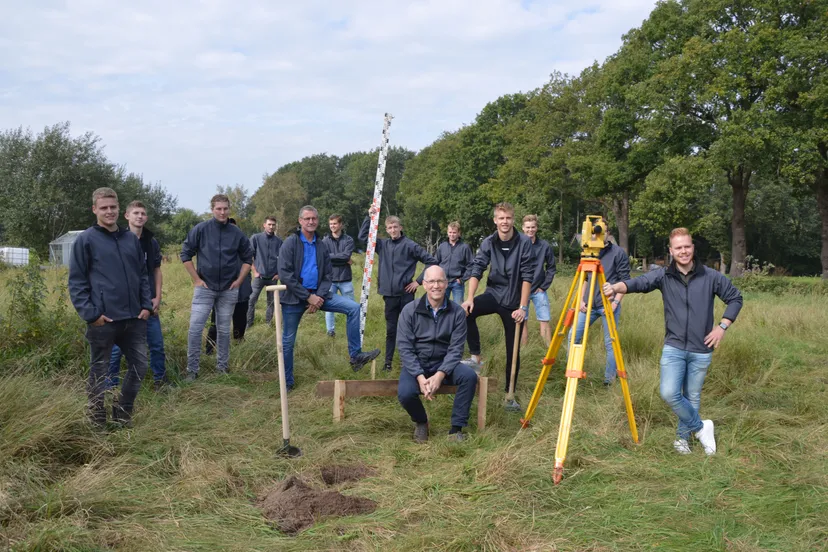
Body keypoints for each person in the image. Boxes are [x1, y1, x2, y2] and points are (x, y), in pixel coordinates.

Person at [602, 227, 743, 456]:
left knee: (692, 396)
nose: (684, 251)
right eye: (679, 248)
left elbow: (735, 298)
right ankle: (702, 428)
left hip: (702, 348)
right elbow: (640, 283)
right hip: (674, 346)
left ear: (693, 248)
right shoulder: (664, 275)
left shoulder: (710, 276)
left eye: (687, 246)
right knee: (669, 393)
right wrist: (617, 287)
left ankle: (682, 439)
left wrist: (722, 326)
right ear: (671, 250)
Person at [69, 187, 152, 428]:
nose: (109, 212)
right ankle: (97, 421)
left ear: (119, 208)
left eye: (113, 207)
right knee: (100, 372)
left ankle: (122, 414)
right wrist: (91, 314)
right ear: (94, 209)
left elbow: (143, 274)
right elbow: (76, 281)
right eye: (103, 208)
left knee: (140, 365)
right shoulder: (86, 240)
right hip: (103, 320)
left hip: (134, 319)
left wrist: (146, 305)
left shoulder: (130, 239)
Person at [278, 206, 380, 389]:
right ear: (300, 221)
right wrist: (308, 297)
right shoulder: (290, 243)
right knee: (288, 341)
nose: (311, 222)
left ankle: (356, 356)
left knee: (354, 308)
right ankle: (287, 382)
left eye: (314, 218)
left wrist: (318, 296)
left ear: (317, 221)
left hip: (319, 294)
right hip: (294, 298)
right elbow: (285, 275)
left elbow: (327, 275)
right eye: (307, 219)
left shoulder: (321, 245)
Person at [462, 202, 535, 410]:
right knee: (465, 312)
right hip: (493, 294)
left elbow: (527, 276)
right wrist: (469, 298)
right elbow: (477, 270)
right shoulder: (488, 242)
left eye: (508, 218)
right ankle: (476, 357)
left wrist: (523, 307)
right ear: (495, 220)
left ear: (513, 219)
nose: (505, 222)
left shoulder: (523, 243)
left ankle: (509, 395)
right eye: (501, 218)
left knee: (513, 350)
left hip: (513, 302)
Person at [397, 266, 478, 443]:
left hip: (444, 364)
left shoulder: (457, 312)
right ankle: (421, 422)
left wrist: (440, 375)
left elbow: (456, 349)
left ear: (446, 284)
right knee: (405, 393)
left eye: (440, 281)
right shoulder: (409, 311)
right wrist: (419, 376)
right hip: (418, 365)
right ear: (424, 285)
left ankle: (456, 429)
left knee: (469, 376)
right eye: (432, 281)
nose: (436, 285)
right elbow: (405, 348)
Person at [180, 194, 253, 381]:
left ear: (229, 209)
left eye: (225, 208)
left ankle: (222, 367)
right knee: (195, 328)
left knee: (223, 330)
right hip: (205, 287)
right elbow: (186, 254)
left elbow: (247, 258)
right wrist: (196, 279)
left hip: (228, 289)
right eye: (218, 208)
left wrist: (239, 280)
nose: (222, 212)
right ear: (212, 209)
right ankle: (192, 370)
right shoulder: (201, 229)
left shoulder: (236, 233)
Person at [359, 206, 437, 372]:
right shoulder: (382, 245)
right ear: (386, 230)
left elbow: (431, 261)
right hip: (389, 295)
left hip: (406, 295)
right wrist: (370, 217)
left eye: (395, 227)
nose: (393, 230)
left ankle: (412, 362)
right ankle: (388, 363)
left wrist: (419, 281)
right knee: (391, 330)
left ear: (400, 227)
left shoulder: (410, 245)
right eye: (389, 227)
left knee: (410, 329)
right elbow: (362, 237)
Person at [106, 200, 167, 392]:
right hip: (123, 305)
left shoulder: (151, 242)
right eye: (136, 213)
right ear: (127, 216)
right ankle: (111, 385)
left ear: (146, 217)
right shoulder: (117, 239)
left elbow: (156, 271)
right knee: (116, 349)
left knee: (156, 344)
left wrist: (157, 297)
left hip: (148, 303)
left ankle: (160, 381)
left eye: (142, 213)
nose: (140, 216)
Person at [571, 220, 630, 386]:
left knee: (610, 342)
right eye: (593, 232)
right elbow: (584, 279)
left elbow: (625, 281)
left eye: (599, 231)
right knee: (573, 335)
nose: (596, 235)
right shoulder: (587, 252)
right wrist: (581, 299)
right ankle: (573, 373)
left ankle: (609, 380)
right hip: (588, 304)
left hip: (609, 305)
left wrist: (615, 303)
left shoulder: (618, 253)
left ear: (607, 233)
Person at [206, 218, 252, 354]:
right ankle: (209, 350)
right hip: (221, 293)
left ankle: (239, 348)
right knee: (215, 323)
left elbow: (249, 264)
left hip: (242, 293)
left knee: (240, 323)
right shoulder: (216, 248)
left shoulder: (245, 247)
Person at [520, 215, 556, 346]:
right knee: (522, 320)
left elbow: (551, 267)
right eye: (528, 227)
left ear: (537, 228)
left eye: (533, 227)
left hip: (538, 290)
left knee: (544, 319)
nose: (530, 230)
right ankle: (523, 350)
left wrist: (544, 286)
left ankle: (547, 350)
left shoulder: (545, 246)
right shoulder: (517, 245)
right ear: (523, 228)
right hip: (521, 290)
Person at [322, 214, 355, 338]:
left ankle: (351, 330)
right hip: (330, 280)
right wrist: (342, 258)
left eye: (335, 223)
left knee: (351, 306)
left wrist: (334, 257)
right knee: (329, 307)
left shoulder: (348, 240)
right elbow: (324, 258)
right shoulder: (324, 241)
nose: (332, 226)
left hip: (346, 279)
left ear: (341, 224)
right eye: (330, 224)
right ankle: (330, 331)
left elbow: (346, 256)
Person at [246, 216, 282, 327]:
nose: (271, 227)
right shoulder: (256, 238)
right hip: (259, 277)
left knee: (271, 302)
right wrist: (254, 270)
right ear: (264, 225)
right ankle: (248, 323)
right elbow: (248, 255)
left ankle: (268, 323)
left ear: (275, 226)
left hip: (272, 278)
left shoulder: (279, 241)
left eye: (273, 225)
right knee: (251, 300)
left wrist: (279, 274)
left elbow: (283, 259)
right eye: (269, 224)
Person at [434, 221, 473, 305]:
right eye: (450, 232)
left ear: (459, 233)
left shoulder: (464, 247)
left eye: (454, 232)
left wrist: (462, 279)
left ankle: (457, 318)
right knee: (441, 305)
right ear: (447, 232)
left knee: (458, 306)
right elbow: (435, 262)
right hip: (443, 282)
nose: (452, 234)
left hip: (457, 283)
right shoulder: (442, 246)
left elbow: (470, 265)